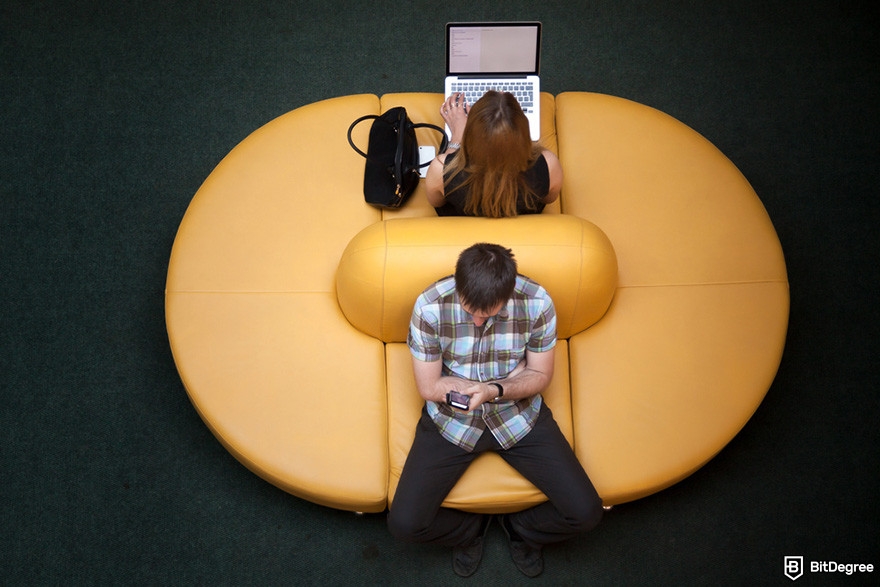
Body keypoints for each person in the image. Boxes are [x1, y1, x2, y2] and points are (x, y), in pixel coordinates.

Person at [387, 243, 603, 578]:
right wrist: (516, 376)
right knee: (404, 523)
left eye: (487, 314)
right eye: (469, 309)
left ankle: (521, 529)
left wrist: (493, 389)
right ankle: (470, 531)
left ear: (508, 294)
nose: (476, 320)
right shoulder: (430, 306)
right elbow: (430, 388)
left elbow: (541, 376)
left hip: (519, 417)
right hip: (451, 423)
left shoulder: (537, 303)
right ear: (459, 286)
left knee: (586, 512)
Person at [425, 91, 563, 217]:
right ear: (524, 132)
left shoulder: (441, 170)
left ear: (470, 134)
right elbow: (549, 198)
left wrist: (456, 139)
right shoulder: (549, 165)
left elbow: (436, 202)